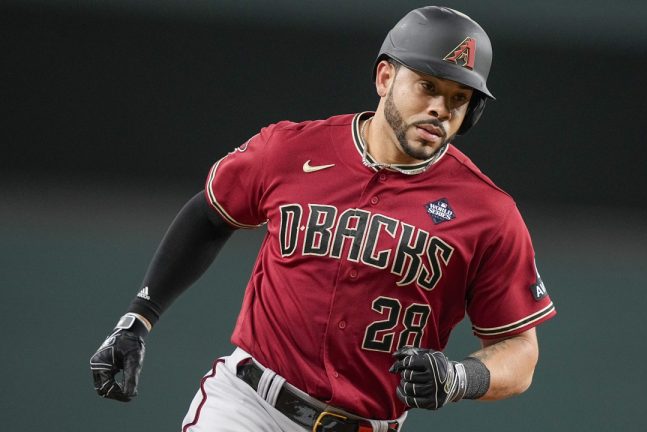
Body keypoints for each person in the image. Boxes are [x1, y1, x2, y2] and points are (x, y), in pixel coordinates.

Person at [89, 6, 556, 431]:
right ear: (384, 77)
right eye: (428, 86)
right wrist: (137, 319)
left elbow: (521, 354)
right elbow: (210, 215)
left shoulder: (488, 213)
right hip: (248, 406)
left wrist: (459, 377)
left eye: (458, 98)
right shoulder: (290, 150)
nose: (440, 108)